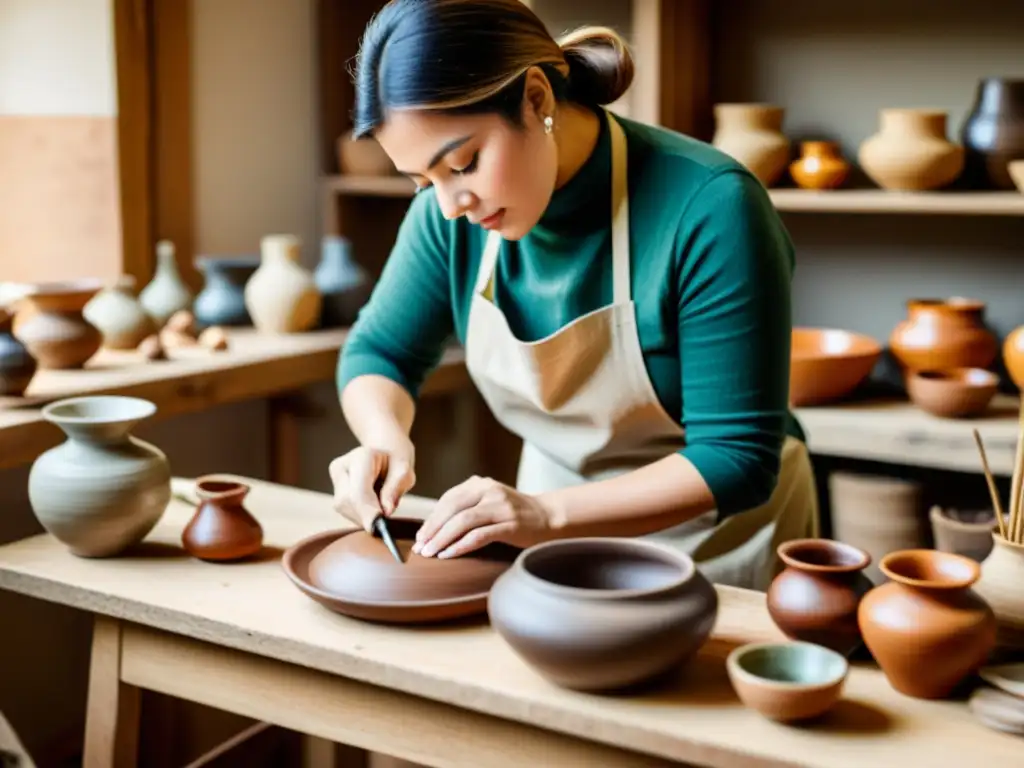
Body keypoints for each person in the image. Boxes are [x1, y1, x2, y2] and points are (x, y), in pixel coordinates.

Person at [328, 0, 818, 590]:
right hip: (543, 535)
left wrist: (546, 515)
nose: (451, 204)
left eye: (463, 164)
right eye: (422, 182)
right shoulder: (446, 216)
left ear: (536, 99)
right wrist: (383, 439)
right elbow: (380, 351)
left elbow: (738, 456)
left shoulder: (712, 208)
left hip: (719, 545)